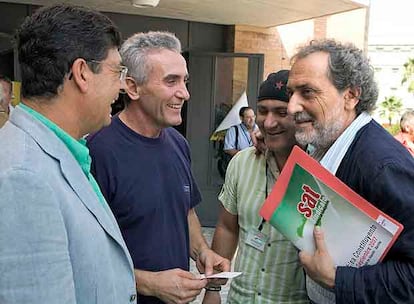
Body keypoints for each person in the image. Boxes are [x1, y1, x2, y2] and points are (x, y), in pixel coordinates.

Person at [0, 4, 137, 304]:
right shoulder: (22, 178)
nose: (122, 87)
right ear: (82, 73)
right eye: (118, 72)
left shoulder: (58, 151)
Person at [87, 31, 230, 304]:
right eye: (171, 81)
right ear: (132, 87)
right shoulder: (97, 151)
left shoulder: (178, 143)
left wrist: (202, 252)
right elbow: (84, 253)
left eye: (185, 81)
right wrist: (151, 284)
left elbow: (184, 211)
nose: (185, 93)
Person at [287, 39, 414, 303]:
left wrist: (337, 279)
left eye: (307, 92)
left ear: (351, 96)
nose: (292, 107)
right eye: (291, 93)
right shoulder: (322, 142)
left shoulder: (382, 166)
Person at [203, 70, 308, 304]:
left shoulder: (319, 170)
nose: (269, 122)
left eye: (281, 112)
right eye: (262, 111)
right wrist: (213, 288)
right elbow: (227, 227)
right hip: (241, 299)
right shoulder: (242, 163)